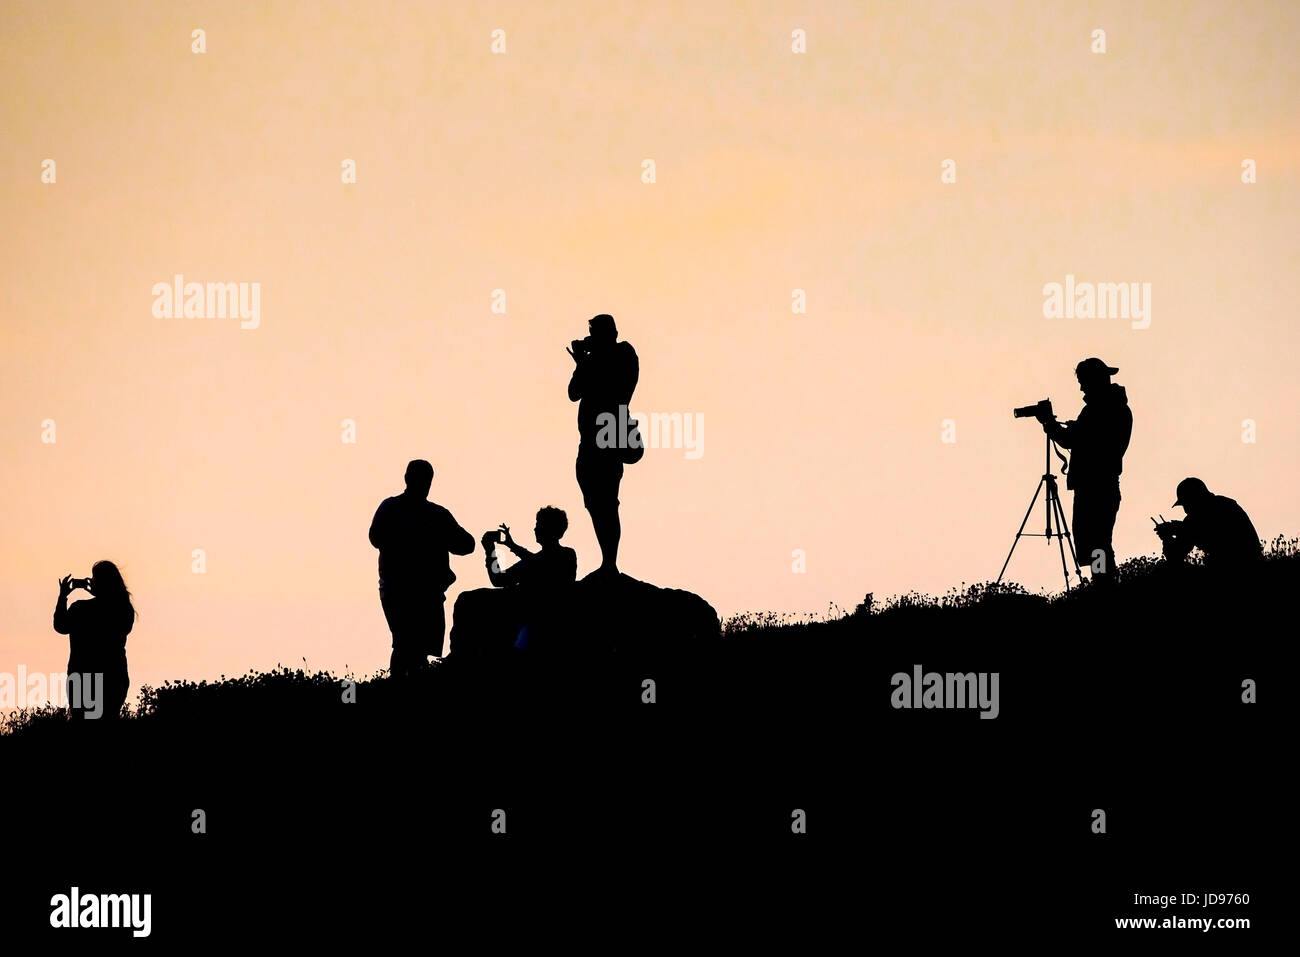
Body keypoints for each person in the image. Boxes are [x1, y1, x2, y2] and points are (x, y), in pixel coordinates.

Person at [369, 459, 475, 676]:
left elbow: (466, 544)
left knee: (411, 647)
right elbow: (376, 537)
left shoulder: (432, 514)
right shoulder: (431, 514)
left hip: (420, 592)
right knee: (407, 645)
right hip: (404, 591)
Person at [1039, 357, 1133, 581]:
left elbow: (1072, 440)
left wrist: (1050, 425)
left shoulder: (1099, 409)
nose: (1081, 387)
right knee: (1096, 542)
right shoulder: (1113, 407)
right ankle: (1103, 582)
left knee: (1097, 542)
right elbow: (1085, 437)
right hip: (1101, 484)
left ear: (1095, 380)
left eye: (1083, 381)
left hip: (1095, 486)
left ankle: (1103, 584)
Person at [568, 314, 639, 575]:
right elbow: (574, 392)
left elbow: (612, 383)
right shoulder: (595, 360)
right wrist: (582, 362)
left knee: (607, 502)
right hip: (591, 440)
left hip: (609, 436)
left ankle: (610, 562)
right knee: (596, 502)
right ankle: (607, 561)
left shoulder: (622, 354)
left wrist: (586, 360)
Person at [481, 506, 578, 652]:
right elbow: (499, 579)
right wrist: (491, 552)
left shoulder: (566, 555)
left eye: (539, 525)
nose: (535, 529)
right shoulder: (530, 561)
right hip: (529, 625)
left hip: (551, 626)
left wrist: (513, 546)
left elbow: (546, 568)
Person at [52, 561, 135, 720]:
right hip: (113, 676)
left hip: (82, 677)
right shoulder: (123, 609)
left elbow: (60, 626)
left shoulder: (80, 609)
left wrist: (63, 596)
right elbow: (125, 627)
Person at [1155, 477, 1263, 569]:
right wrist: (1173, 534)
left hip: (1239, 566)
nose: (1185, 510)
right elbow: (1177, 554)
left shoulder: (1202, 516)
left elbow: (1176, 555)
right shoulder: (1226, 504)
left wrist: (1172, 534)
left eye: (1186, 504)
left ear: (1194, 499)